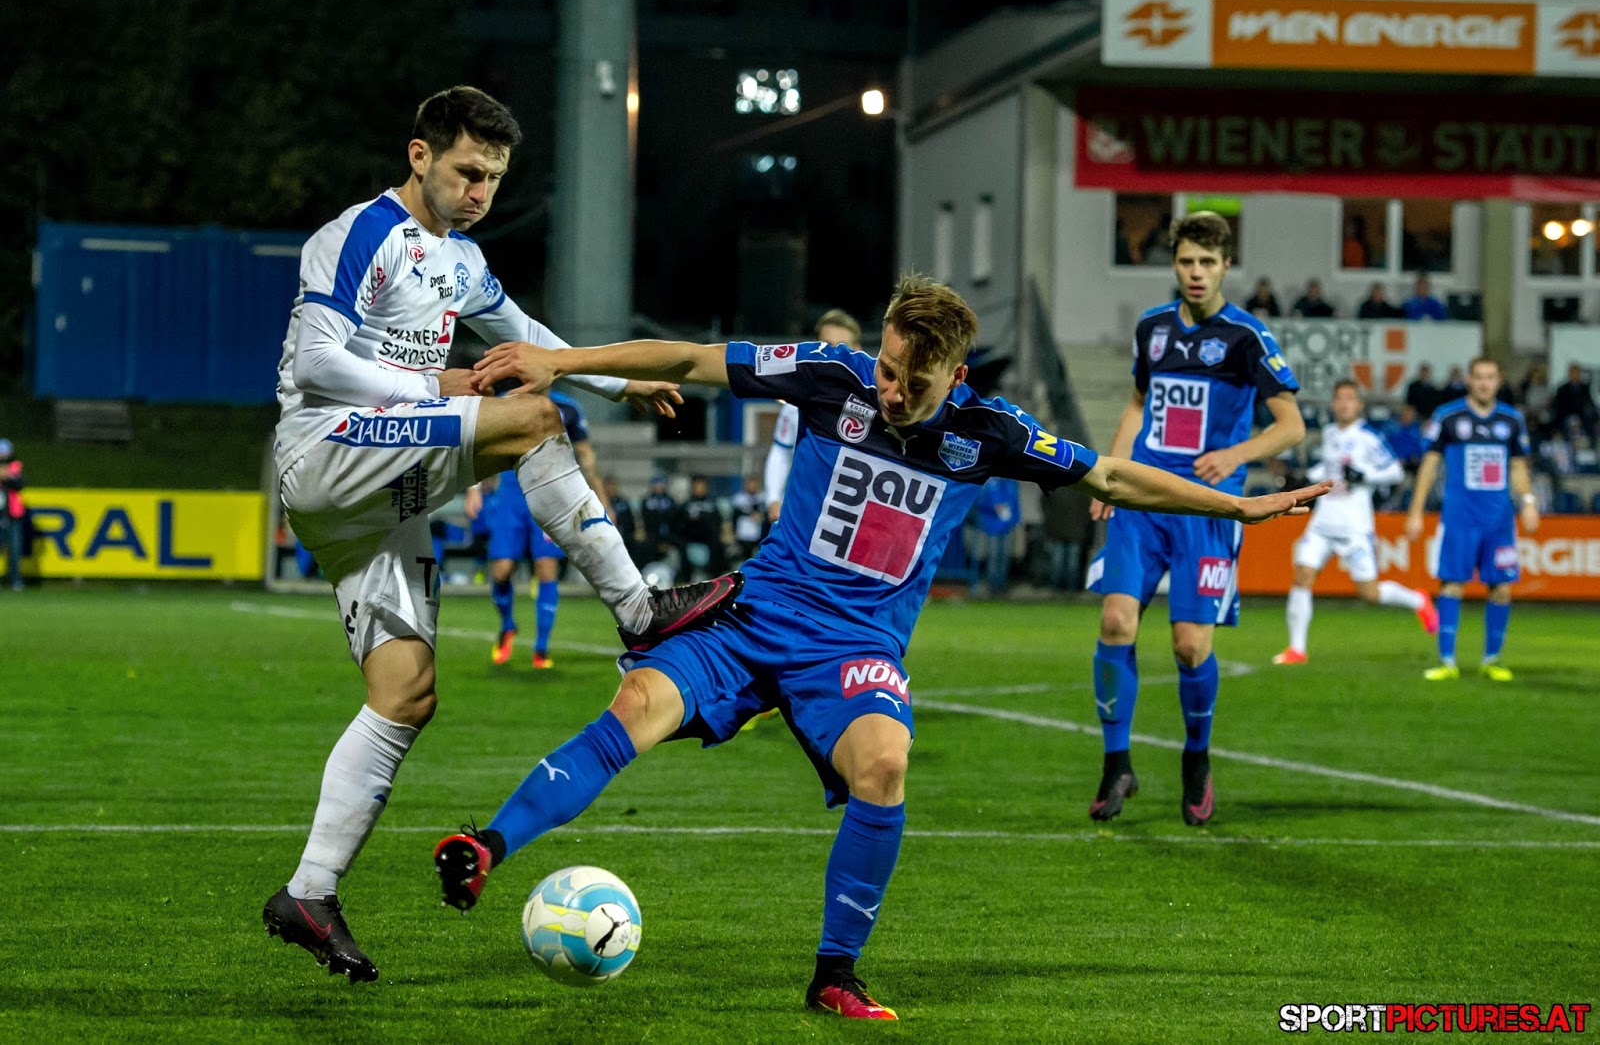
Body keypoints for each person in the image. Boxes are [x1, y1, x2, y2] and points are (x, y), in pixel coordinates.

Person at [431, 276, 1328, 1020]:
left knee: (886, 765)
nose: (892, 392)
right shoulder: (833, 375)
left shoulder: (988, 433)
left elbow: (1111, 473)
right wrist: (562, 362)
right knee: (635, 708)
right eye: (890, 370)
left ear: (957, 375)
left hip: (856, 645)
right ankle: (486, 845)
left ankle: (835, 973)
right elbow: (697, 360)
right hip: (758, 615)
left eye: (914, 383)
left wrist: (1243, 507)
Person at [260, 86, 741, 983]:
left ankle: (309, 892)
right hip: (325, 452)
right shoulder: (358, 233)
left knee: (405, 692)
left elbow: (523, 335)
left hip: (378, 502)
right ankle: (639, 611)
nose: (480, 190)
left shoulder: (463, 260)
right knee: (530, 418)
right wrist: (443, 387)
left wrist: (617, 382)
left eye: (494, 177)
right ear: (419, 155)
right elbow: (317, 360)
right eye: (467, 170)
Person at [1085, 211, 1306, 828]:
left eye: (1207, 263)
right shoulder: (1152, 329)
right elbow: (1137, 406)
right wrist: (1111, 473)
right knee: (1114, 619)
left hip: (1207, 510)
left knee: (1189, 646)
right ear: (1175, 263)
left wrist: (1235, 455)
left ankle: (1197, 758)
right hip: (1146, 497)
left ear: (1226, 266)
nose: (1196, 273)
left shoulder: (1247, 337)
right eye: (1186, 262)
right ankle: (1116, 762)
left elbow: (1292, 425)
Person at [1273, 381, 1437, 664]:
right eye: (1339, 398)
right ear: (1334, 404)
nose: (1344, 403)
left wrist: (1365, 476)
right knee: (1302, 576)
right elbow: (1330, 469)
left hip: (1354, 526)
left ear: (1359, 404)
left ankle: (1418, 600)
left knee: (1369, 594)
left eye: (1350, 398)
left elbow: (1395, 471)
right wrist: (1306, 478)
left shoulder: (1369, 437)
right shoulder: (1330, 433)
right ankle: (1296, 649)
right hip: (1323, 522)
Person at [1405, 358, 1537, 681]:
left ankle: (1491, 660)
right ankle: (1447, 661)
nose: (1484, 383)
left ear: (1499, 380)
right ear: (1469, 380)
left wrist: (1529, 502)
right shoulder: (1448, 417)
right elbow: (1429, 465)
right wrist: (1416, 511)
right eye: (1478, 377)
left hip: (1499, 520)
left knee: (1502, 588)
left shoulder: (1511, 419)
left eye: (1490, 377)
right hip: (1459, 518)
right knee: (1451, 584)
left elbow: (1519, 466)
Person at [465, 388, 603, 670]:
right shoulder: (505, 401)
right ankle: (507, 625)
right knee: (501, 571)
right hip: (511, 495)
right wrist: (474, 488)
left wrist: (600, 495)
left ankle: (541, 647)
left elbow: (585, 453)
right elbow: (480, 445)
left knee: (546, 569)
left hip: (550, 493)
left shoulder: (568, 408)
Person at [764, 309, 863, 522]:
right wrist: (773, 498)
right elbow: (781, 451)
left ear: (858, 351)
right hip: (805, 514)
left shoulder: (875, 402)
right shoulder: (795, 404)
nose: (832, 355)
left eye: (841, 348)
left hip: (853, 518)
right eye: (825, 346)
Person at [969, 475, 1021, 597]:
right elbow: (980, 502)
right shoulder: (990, 483)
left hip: (1007, 525)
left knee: (1004, 556)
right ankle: (992, 586)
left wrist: (1015, 519)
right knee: (994, 555)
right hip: (992, 525)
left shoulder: (1011, 482)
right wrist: (994, 509)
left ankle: (1001, 585)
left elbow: (1015, 502)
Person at [679, 474, 726, 579]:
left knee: (719, 547)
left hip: (709, 539)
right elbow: (680, 524)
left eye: (702, 486)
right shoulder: (686, 505)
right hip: (691, 539)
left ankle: (716, 578)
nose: (700, 489)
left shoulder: (712, 504)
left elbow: (718, 521)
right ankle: (685, 579)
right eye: (697, 486)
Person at [640, 474, 683, 572]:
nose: (659, 486)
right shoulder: (647, 500)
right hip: (653, 534)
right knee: (645, 548)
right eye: (656, 484)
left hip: (670, 534)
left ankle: (681, 576)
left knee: (682, 547)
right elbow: (647, 519)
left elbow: (676, 519)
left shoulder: (671, 500)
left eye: (661, 483)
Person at [1552, 362, 1598, 449]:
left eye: (1577, 373)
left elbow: (1590, 404)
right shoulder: (1562, 389)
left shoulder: (1584, 388)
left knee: (1591, 429)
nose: (1575, 375)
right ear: (1569, 374)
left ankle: (1589, 452)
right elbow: (1558, 408)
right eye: (1573, 373)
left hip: (1582, 418)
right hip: (1566, 417)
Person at [0, 439, 24, 591]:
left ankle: (15, 581)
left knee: (15, 549)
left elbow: (19, 483)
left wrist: (6, 476)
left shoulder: (16, 466)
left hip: (13, 515)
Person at [731, 474, 767, 563]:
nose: (752, 487)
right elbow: (734, 517)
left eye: (754, 484)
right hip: (743, 534)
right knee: (743, 559)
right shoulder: (738, 499)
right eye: (750, 484)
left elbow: (765, 516)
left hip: (757, 535)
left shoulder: (762, 498)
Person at [1383, 403, 1427, 472]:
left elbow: (1420, 446)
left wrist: (1416, 455)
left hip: (1411, 465)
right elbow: (1383, 445)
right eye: (1407, 413)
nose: (1409, 416)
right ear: (1402, 414)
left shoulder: (1416, 429)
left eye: (1412, 414)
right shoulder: (1390, 427)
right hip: (1392, 463)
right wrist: (1396, 457)